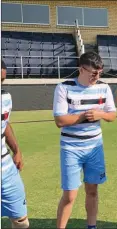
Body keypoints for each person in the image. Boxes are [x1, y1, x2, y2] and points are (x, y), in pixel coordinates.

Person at [53, 52, 117, 229]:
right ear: (81, 69)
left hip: (95, 148)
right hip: (70, 148)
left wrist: (100, 114)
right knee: (70, 195)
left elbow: (112, 115)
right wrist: (83, 116)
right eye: (93, 73)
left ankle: (92, 226)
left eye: (100, 73)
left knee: (93, 190)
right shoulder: (63, 87)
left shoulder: (104, 88)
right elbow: (60, 121)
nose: (97, 77)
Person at [1, 60, 30, 228]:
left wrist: (17, 150)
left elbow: (4, 123)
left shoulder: (5, 97)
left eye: (2, 80)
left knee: (21, 221)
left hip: (6, 167)